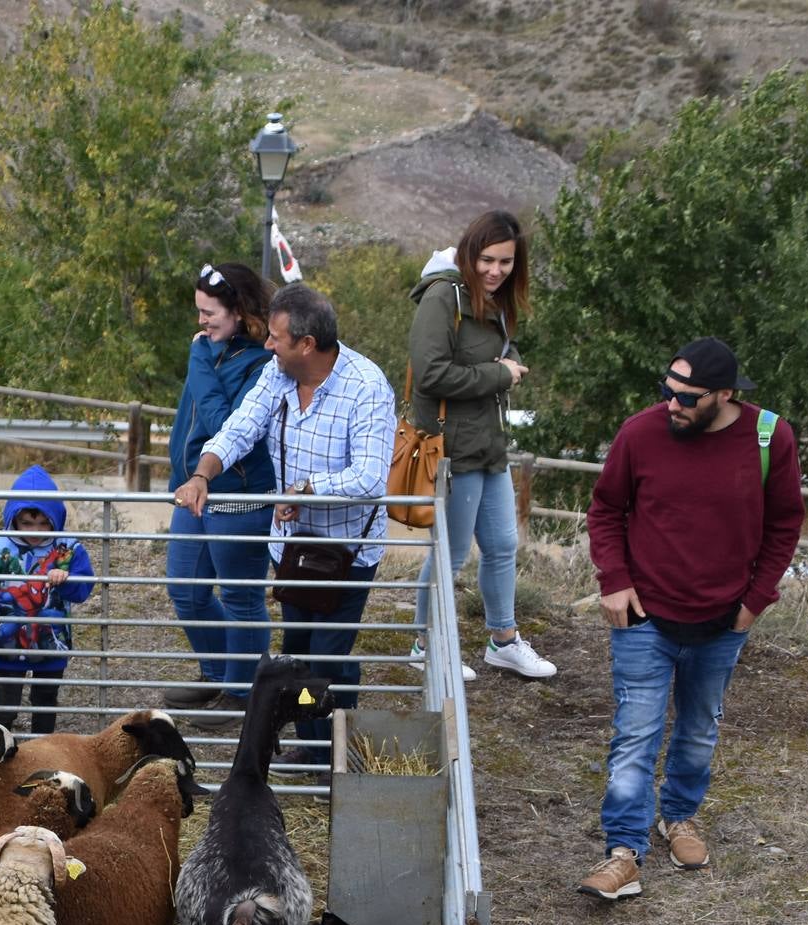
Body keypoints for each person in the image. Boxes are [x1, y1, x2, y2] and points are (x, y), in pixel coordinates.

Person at [577, 338, 804, 901]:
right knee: (635, 738)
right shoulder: (640, 433)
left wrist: (755, 602)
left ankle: (677, 817)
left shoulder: (769, 437)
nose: (671, 403)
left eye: (685, 396)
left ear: (724, 395)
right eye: (666, 389)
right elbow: (606, 510)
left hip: (723, 621)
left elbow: (784, 525)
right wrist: (615, 581)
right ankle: (623, 853)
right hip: (644, 617)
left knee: (699, 732)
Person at [180, 284, 393, 751]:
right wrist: (202, 474)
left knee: (325, 657)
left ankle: (326, 749)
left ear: (307, 345)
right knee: (299, 652)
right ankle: (316, 741)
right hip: (293, 544)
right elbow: (240, 427)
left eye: (276, 338)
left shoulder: (367, 387)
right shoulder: (278, 376)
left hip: (345, 552)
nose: (268, 345)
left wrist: (307, 489)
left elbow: (370, 478)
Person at [407, 210, 556, 682]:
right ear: (469, 252)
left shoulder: (492, 300)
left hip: (489, 444)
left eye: (506, 262)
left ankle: (503, 640)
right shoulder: (441, 296)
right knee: (449, 554)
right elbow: (430, 374)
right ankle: (425, 645)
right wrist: (498, 373)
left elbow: (487, 354)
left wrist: (508, 360)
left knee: (501, 546)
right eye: (487, 259)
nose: (495, 270)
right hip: (453, 449)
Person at [163, 262, 277, 709]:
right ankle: (218, 671)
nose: (201, 321)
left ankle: (242, 691)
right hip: (192, 488)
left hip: (239, 495)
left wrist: (198, 358)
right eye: (199, 311)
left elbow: (221, 425)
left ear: (239, 310)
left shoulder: (261, 362)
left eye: (209, 312)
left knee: (240, 595)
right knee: (186, 591)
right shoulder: (211, 347)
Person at [0, 466, 94, 736]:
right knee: (5, 703)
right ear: (14, 518)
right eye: (27, 523)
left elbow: (83, 589)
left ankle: (43, 749)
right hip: (9, 640)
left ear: (56, 519)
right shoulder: (0, 547)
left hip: (50, 639)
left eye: (44, 524)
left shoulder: (68, 548)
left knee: (45, 701)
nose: (35, 531)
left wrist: (65, 580)